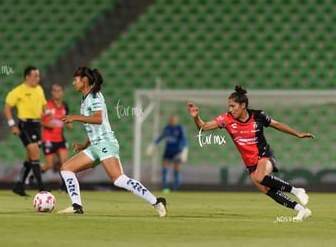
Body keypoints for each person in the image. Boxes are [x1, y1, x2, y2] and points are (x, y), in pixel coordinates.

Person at [186, 85, 314, 221]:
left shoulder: (258, 116)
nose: (230, 109)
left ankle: (297, 190)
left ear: (243, 105)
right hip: (250, 163)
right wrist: (196, 117)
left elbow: (277, 125)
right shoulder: (227, 119)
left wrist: (298, 134)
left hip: (264, 155)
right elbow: (203, 127)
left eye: (233, 106)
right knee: (266, 189)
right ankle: (301, 210)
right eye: (229, 106)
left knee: (260, 177)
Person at [57, 66, 167, 217]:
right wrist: (85, 144)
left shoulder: (95, 96)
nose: (73, 83)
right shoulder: (85, 100)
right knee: (66, 169)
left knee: (119, 180)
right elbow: (93, 125)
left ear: (85, 80)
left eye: (75, 80)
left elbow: (98, 118)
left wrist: (74, 117)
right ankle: (76, 206)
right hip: (95, 145)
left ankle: (157, 201)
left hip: (105, 143)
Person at [4, 66, 50, 196]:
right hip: (25, 125)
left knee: (30, 157)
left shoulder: (39, 89)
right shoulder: (18, 91)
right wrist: (12, 125)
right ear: (27, 77)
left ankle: (19, 186)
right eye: (35, 76)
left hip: (37, 125)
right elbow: (7, 108)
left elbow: (44, 104)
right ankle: (41, 187)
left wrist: (48, 112)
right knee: (35, 154)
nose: (38, 78)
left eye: (38, 76)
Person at [39, 84, 72, 189]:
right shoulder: (46, 105)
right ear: (52, 93)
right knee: (49, 165)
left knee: (65, 163)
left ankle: (64, 186)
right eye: (55, 91)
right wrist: (47, 124)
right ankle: (33, 173)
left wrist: (69, 123)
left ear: (62, 92)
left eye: (59, 90)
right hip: (48, 139)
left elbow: (69, 124)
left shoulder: (65, 106)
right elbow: (38, 120)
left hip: (60, 139)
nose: (57, 92)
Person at [147, 115, 188, 192]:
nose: (172, 121)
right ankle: (165, 187)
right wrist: (153, 144)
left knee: (176, 169)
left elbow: (184, 139)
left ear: (176, 120)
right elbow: (160, 137)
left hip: (177, 152)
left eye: (174, 119)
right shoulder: (167, 128)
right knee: (165, 169)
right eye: (171, 119)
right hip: (168, 151)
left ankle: (176, 188)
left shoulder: (179, 128)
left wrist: (185, 149)